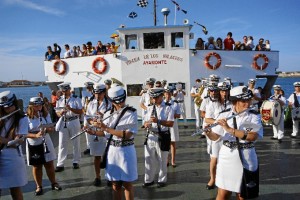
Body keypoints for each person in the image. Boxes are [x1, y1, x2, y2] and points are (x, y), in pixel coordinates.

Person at [204, 86, 263, 200]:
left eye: (249, 100)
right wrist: (208, 132)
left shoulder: (254, 116)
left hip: (247, 156)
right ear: (235, 101)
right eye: (243, 101)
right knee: (223, 194)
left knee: (243, 195)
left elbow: (252, 136)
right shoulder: (224, 114)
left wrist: (230, 129)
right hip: (227, 157)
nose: (247, 104)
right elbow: (215, 137)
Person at [85, 84, 138, 200]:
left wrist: (105, 128)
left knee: (127, 184)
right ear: (112, 101)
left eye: (122, 100)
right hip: (112, 151)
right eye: (118, 101)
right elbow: (105, 134)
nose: (121, 103)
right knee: (115, 184)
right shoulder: (108, 114)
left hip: (126, 151)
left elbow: (127, 135)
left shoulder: (131, 113)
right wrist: (92, 132)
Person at [26, 97, 62, 196]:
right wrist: (35, 135)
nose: (39, 107)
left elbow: (50, 127)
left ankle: (54, 182)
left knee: (49, 163)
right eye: (37, 105)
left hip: (46, 140)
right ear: (31, 106)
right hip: (34, 143)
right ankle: (39, 186)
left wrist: (49, 128)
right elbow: (23, 133)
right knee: (37, 166)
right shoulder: (26, 117)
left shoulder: (45, 115)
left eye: (41, 105)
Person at [143, 88, 174, 188]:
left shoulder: (168, 108)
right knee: (148, 160)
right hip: (151, 135)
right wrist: (146, 124)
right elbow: (145, 121)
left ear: (162, 96)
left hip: (163, 136)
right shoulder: (149, 108)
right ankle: (148, 180)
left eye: (156, 97)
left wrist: (158, 121)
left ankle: (162, 180)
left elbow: (171, 123)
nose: (154, 99)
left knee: (162, 159)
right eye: (153, 98)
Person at [0, 91, 28, 200]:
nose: (8, 109)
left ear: (15, 104)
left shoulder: (22, 119)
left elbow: (18, 141)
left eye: (10, 106)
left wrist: (3, 140)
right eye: (5, 108)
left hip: (12, 157)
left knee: (15, 188)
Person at [204, 81, 232, 190]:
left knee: (228, 159)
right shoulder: (213, 103)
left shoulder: (233, 103)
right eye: (222, 91)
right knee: (214, 159)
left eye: (226, 91)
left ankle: (227, 179)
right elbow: (207, 119)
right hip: (216, 134)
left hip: (229, 135)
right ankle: (212, 179)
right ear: (219, 91)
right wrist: (217, 121)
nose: (224, 93)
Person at [84, 84, 111, 186]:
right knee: (96, 156)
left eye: (99, 93)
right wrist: (92, 122)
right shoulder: (91, 103)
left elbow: (112, 117)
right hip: (95, 132)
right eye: (96, 93)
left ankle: (109, 176)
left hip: (106, 131)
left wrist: (103, 116)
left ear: (104, 93)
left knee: (108, 155)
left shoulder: (109, 104)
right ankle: (97, 176)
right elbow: (87, 116)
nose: (97, 95)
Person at [55, 83, 83, 172]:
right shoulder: (59, 100)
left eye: (65, 90)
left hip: (74, 121)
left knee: (76, 142)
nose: (64, 92)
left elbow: (80, 111)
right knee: (62, 143)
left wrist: (70, 109)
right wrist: (60, 113)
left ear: (69, 89)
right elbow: (57, 112)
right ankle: (60, 164)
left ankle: (76, 161)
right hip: (63, 121)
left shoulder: (76, 99)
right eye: (62, 91)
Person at [164, 87, 181, 167]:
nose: (168, 95)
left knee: (173, 143)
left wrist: (171, 114)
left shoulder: (175, 103)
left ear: (171, 94)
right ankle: (166, 160)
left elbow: (178, 115)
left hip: (173, 125)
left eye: (169, 94)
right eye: (166, 94)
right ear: (164, 94)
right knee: (165, 143)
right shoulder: (161, 103)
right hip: (164, 124)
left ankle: (173, 161)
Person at [81, 82, 95, 155]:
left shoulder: (95, 93)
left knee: (96, 130)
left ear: (91, 87)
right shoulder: (84, 94)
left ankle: (95, 146)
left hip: (93, 115)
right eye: (86, 87)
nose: (87, 88)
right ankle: (89, 147)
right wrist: (84, 112)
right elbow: (83, 105)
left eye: (88, 87)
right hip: (86, 115)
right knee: (86, 131)